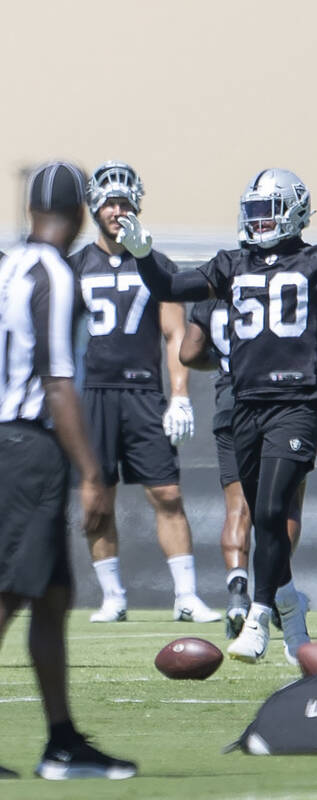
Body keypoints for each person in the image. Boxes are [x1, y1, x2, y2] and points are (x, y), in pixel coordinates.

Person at [126, 170, 317, 663]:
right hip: (245, 403)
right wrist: (143, 256)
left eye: (268, 210)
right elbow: (171, 284)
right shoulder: (233, 263)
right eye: (253, 210)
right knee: (263, 520)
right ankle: (291, 609)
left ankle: (259, 614)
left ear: (293, 212)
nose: (259, 220)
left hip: (298, 402)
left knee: (271, 510)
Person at [0, 161, 137, 779]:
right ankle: (60, 741)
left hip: (11, 442)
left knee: (54, 596)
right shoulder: (54, 273)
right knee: (7, 595)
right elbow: (58, 382)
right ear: (80, 214)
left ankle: (61, 743)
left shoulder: (5, 267)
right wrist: (90, 473)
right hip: (28, 447)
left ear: (31, 210)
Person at [70, 161, 219, 624]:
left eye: (125, 203)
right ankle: (112, 596)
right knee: (97, 499)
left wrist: (179, 395)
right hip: (90, 393)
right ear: (95, 206)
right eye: (110, 203)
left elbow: (175, 335)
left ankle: (186, 596)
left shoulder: (154, 262)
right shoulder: (74, 266)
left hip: (142, 393)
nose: (118, 211)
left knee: (168, 494)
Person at [179, 298, 305, 638]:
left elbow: (188, 354)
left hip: (230, 405)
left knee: (238, 508)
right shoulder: (276, 287)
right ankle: (278, 589)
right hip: (280, 404)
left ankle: (237, 588)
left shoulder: (210, 298)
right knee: (285, 506)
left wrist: (223, 361)